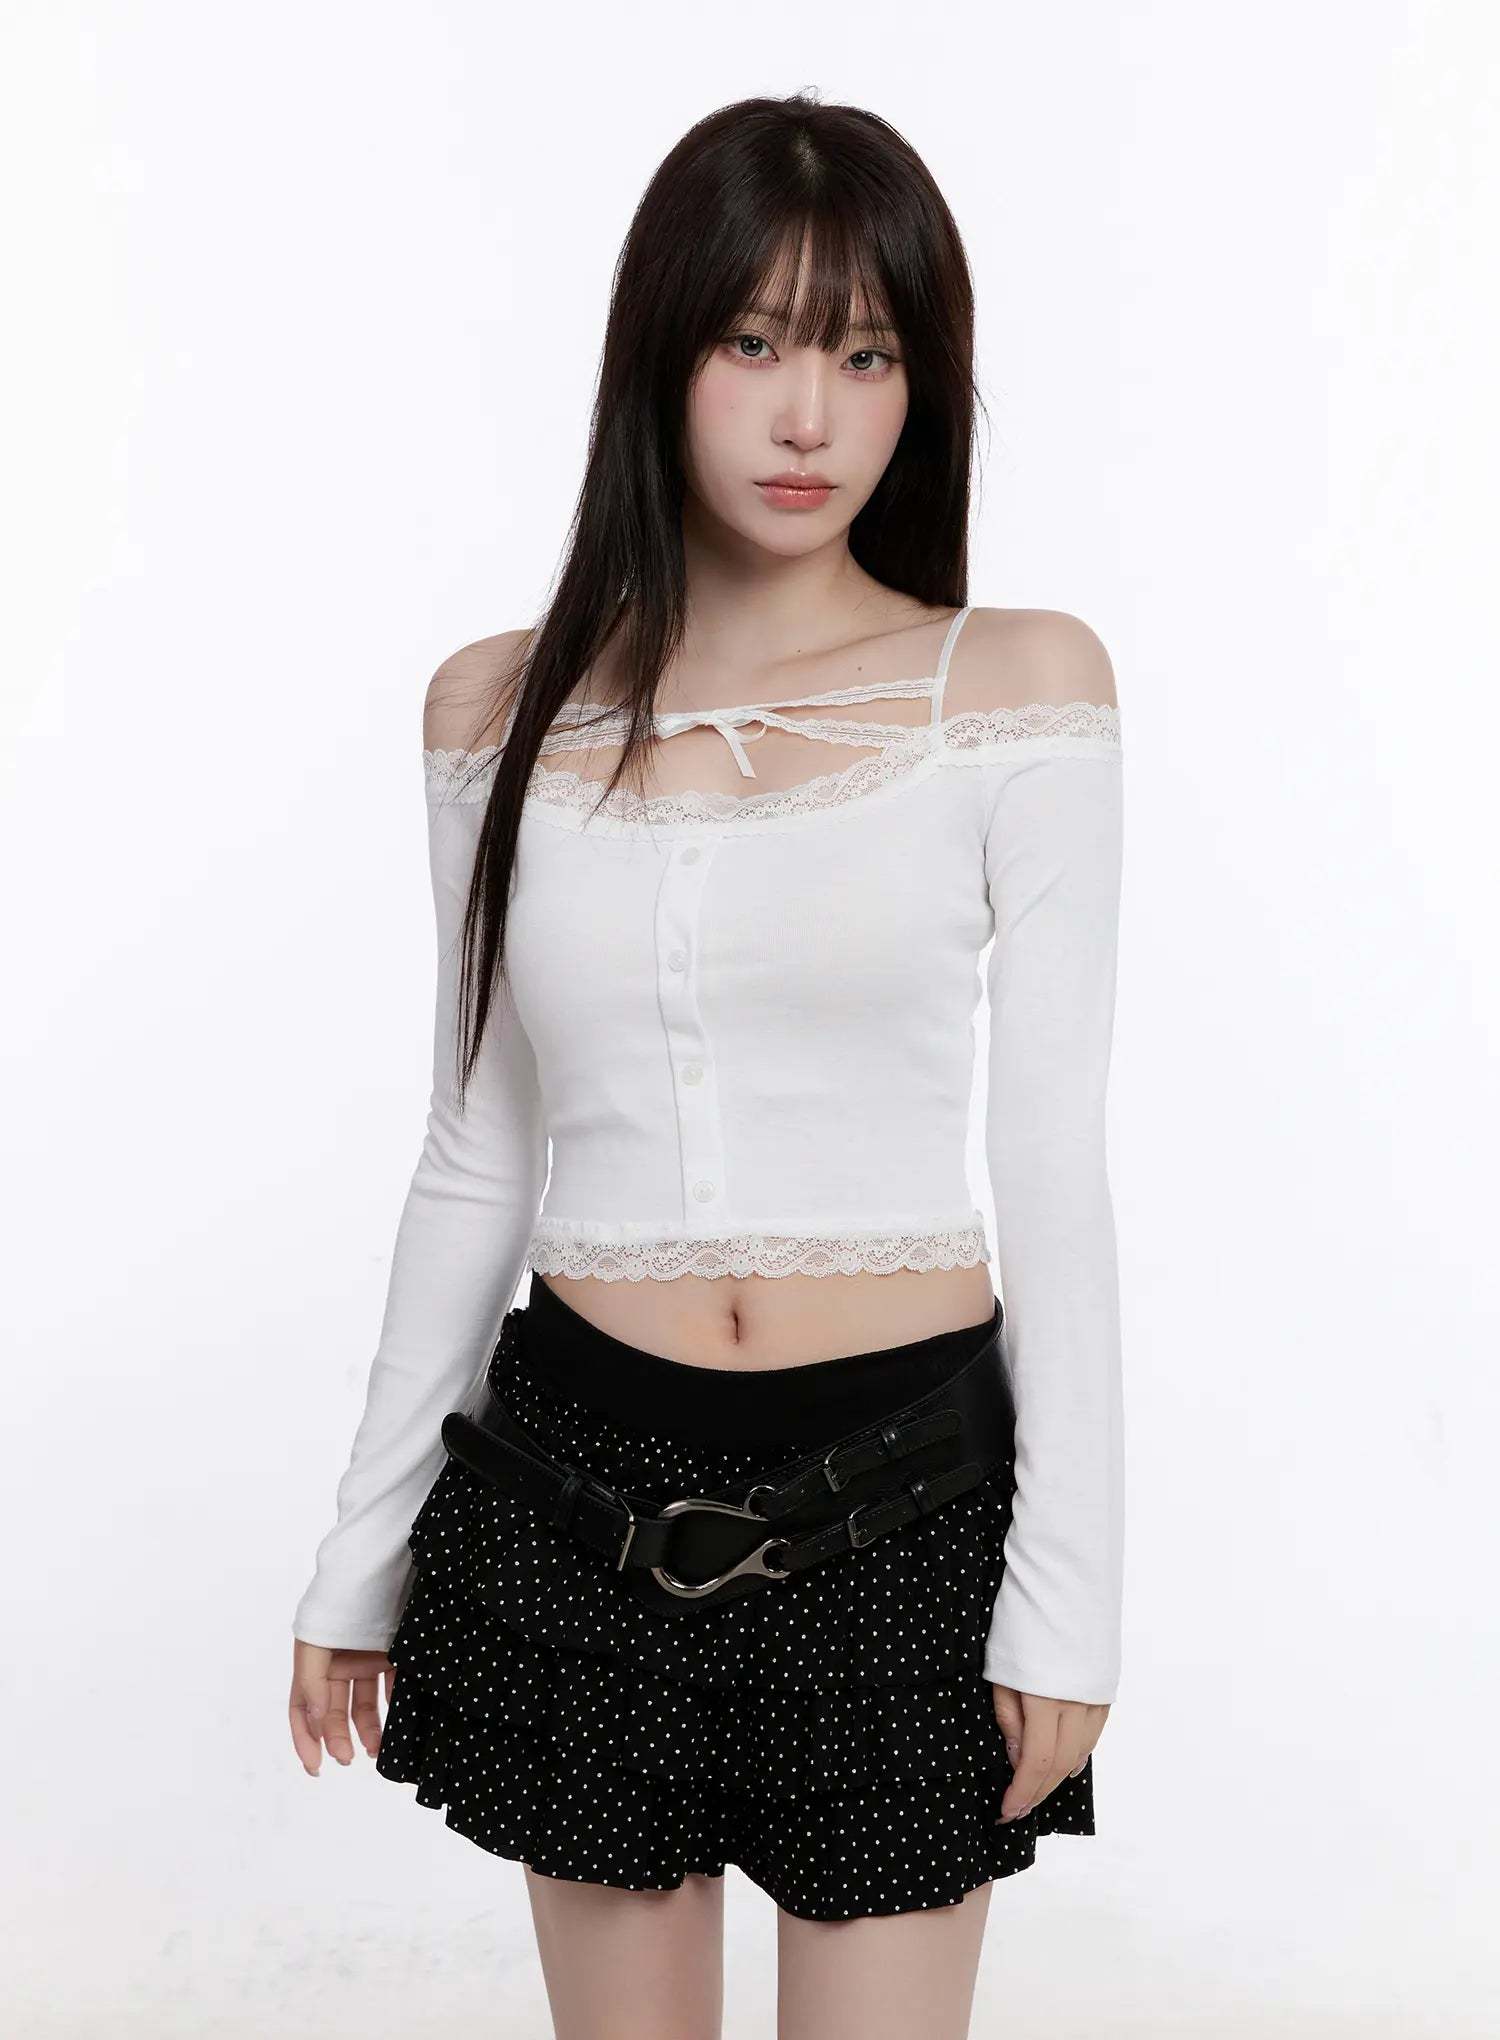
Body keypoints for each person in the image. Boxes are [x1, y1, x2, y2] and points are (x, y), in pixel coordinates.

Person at [287, 88, 1125, 2040]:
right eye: (754, 342)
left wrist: (1070, 1593)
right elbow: (473, 1151)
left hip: (901, 1504)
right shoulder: (498, 709)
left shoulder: (1015, 690)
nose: (808, 415)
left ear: (924, 385)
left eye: (866, 354)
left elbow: (1054, 1165)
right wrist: (357, 1553)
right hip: (580, 1492)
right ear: (660, 353)